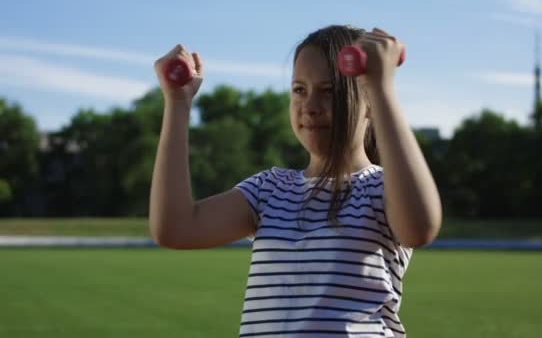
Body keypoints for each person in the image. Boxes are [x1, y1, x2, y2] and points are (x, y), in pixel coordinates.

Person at [149, 24, 442, 337]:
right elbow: (175, 228)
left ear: (368, 102)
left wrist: (382, 88)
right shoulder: (269, 191)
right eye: (299, 90)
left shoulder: (382, 189)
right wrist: (178, 104)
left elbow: (419, 227)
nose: (310, 106)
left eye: (328, 91)